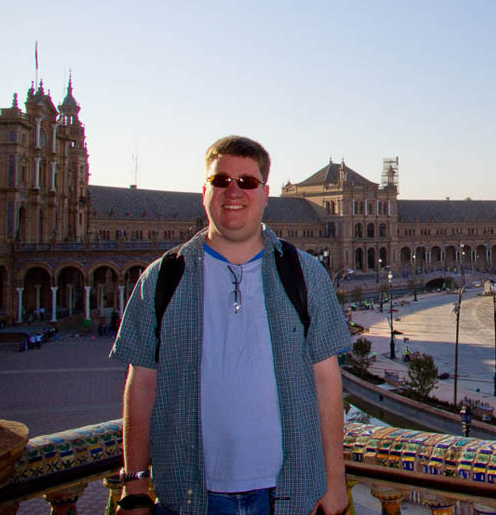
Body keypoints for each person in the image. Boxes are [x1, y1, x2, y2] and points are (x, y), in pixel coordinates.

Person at [112, 136, 352, 515]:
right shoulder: (161, 278)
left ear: (266, 193)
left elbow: (327, 381)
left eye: (247, 182)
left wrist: (334, 482)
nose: (233, 191)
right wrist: (136, 487)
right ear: (204, 190)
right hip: (190, 494)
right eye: (221, 181)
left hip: (290, 493)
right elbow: (140, 384)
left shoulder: (306, 275)